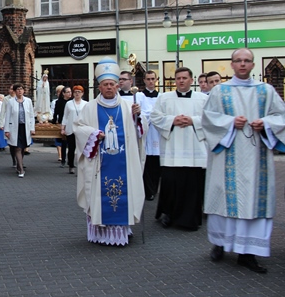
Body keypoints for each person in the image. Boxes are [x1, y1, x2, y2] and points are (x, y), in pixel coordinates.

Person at [202, 48, 285, 274]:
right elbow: (208, 119)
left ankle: (247, 253)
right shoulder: (220, 91)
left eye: (247, 61)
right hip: (226, 156)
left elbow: (281, 116)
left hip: (256, 157)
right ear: (232, 64)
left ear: (253, 65)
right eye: (238, 60)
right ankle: (220, 244)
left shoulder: (266, 90)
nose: (242, 64)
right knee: (223, 198)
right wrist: (230, 123)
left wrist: (266, 124)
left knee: (253, 201)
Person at [75, 58, 147, 246]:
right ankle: (100, 233)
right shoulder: (90, 107)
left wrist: (138, 117)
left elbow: (140, 132)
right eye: (105, 84)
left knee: (124, 192)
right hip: (99, 163)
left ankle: (122, 231)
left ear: (117, 86)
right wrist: (93, 134)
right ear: (99, 87)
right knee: (98, 196)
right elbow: (78, 128)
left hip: (123, 160)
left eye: (112, 84)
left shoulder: (128, 106)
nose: (109, 87)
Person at [150, 67, 208, 230]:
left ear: (191, 80)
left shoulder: (203, 99)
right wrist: (172, 120)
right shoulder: (164, 98)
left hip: (194, 151)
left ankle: (191, 219)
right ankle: (168, 215)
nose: (181, 81)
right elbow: (155, 117)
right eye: (178, 78)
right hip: (172, 151)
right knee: (170, 184)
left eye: (184, 78)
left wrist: (193, 121)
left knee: (192, 186)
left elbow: (211, 119)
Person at [2, 83, 36, 177]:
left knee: (23, 147)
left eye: (21, 89)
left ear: (24, 90)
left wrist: (32, 128)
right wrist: (7, 130)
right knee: (17, 147)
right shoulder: (11, 102)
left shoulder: (28, 101)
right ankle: (21, 169)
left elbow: (31, 116)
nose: (20, 91)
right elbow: (8, 116)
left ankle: (18, 164)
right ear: (15, 91)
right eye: (18, 89)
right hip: (14, 127)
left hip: (25, 127)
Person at [142, 71, 161, 201]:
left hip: (157, 132)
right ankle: (148, 190)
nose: (150, 81)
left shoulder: (161, 97)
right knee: (147, 161)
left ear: (156, 80)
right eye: (148, 79)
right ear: (144, 80)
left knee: (156, 162)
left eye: (152, 79)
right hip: (146, 131)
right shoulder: (140, 96)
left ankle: (154, 188)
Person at [61, 85, 88, 175]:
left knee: (82, 148)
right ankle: (71, 165)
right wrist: (63, 128)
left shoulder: (86, 104)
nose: (77, 94)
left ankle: (82, 166)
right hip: (71, 128)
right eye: (75, 92)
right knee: (71, 148)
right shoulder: (69, 104)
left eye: (79, 92)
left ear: (82, 93)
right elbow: (65, 116)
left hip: (82, 128)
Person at [53, 87, 72, 168]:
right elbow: (56, 112)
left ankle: (70, 161)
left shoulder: (72, 102)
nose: (70, 93)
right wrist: (54, 122)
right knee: (63, 142)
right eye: (68, 92)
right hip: (62, 123)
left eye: (70, 92)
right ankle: (63, 160)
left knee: (71, 144)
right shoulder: (59, 102)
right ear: (63, 93)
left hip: (71, 123)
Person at [51, 84, 65, 162]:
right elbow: (53, 112)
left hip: (66, 122)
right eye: (58, 92)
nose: (59, 93)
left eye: (61, 91)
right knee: (58, 138)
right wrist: (55, 120)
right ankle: (60, 155)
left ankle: (64, 154)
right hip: (58, 122)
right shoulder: (54, 102)